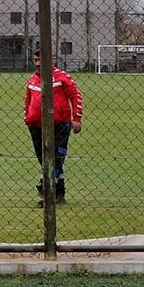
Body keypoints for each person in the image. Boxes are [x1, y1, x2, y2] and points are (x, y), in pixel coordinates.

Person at [24, 44, 83, 204]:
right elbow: (28, 100)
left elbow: (76, 96)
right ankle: (59, 191)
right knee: (43, 159)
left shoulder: (63, 77)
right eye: (35, 60)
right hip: (36, 126)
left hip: (60, 125)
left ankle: (45, 191)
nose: (37, 63)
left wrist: (76, 119)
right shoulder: (32, 80)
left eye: (40, 60)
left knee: (56, 158)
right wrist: (27, 118)